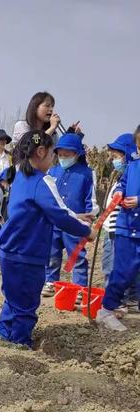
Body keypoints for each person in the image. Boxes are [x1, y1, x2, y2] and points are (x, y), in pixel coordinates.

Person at [0, 131, 95, 347]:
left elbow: (41, 208)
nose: (54, 160)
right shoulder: (43, 181)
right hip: (27, 254)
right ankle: (20, 343)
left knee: (13, 297)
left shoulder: (20, 175)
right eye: (52, 155)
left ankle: (2, 333)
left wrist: (75, 216)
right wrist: (86, 231)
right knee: (27, 302)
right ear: (41, 152)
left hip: (8, 250)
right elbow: (59, 214)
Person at [42, 133, 99, 298]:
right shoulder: (52, 171)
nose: (63, 158)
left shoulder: (87, 173)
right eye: (60, 155)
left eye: (67, 155)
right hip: (55, 222)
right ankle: (51, 282)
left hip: (75, 224)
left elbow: (92, 200)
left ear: (77, 154)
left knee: (77, 256)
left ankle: (79, 288)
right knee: (52, 253)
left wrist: (89, 220)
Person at [97, 127, 140, 331]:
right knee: (123, 271)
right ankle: (106, 309)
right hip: (127, 227)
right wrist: (120, 193)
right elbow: (122, 183)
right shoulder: (133, 167)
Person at [11, 92, 82, 151]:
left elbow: (58, 154)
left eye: (52, 106)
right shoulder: (22, 126)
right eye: (47, 106)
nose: (51, 109)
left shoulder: (53, 134)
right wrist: (52, 128)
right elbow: (30, 145)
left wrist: (71, 135)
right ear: (35, 108)